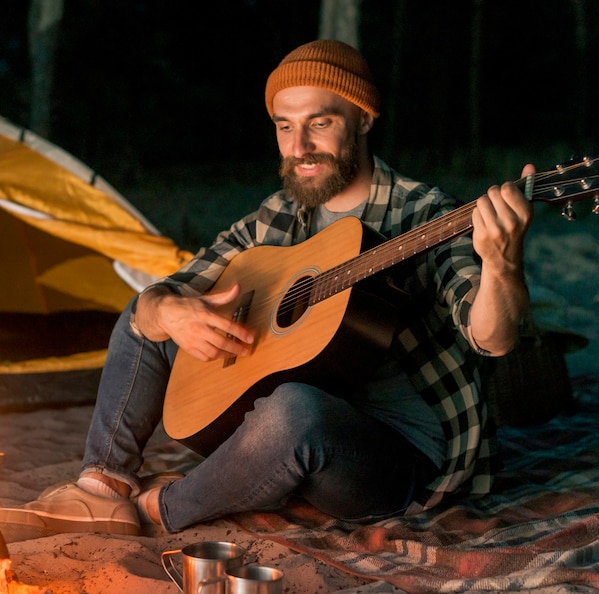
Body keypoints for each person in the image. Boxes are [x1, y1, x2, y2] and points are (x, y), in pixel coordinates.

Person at [0, 40, 533, 536]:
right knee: (145, 310)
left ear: (364, 118)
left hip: (392, 458)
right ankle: (102, 487)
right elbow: (170, 292)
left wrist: (502, 265)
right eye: (284, 126)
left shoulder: (426, 215)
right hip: (281, 414)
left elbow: (493, 336)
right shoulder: (276, 218)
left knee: (292, 411)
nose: (299, 146)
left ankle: (161, 509)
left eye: (319, 123)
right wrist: (168, 310)